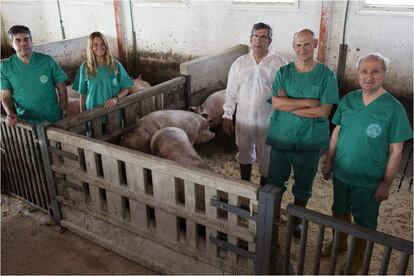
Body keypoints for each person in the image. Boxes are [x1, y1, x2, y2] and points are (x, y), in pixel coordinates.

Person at [321, 53, 412, 274]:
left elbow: (396, 151)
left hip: (370, 179)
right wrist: (329, 161)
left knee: (365, 220)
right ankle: (340, 242)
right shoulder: (349, 100)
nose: (369, 76)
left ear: (383, 74)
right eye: (364, 71)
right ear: (358, 73)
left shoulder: (393, 108)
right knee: (339, 210)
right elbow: (336, 134)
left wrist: (386, 184)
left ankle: (357, 259)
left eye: (375, 71)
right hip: (343, 172)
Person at [266, 29, 339, 238]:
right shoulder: (284, 72)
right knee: (275, 181)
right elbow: (277, 103)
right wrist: (308, 102)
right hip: (282, 137)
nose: (302, 49)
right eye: (298, 45)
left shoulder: (326, 75)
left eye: (307, 44)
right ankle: (272, 218)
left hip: (309, 140)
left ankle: (297, 220)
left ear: (315, 44)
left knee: (304, 182)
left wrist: (289, 103)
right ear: (293, 46)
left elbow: (324, 111)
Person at [222, 22, 287, 185]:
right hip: (244, 118)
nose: (258, 41)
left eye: (263, 37)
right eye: (255, 37)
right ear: (250, 39)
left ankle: (263, 192)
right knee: (244, 151)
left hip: (268, 119)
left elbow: (285, 92)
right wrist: (227, 114)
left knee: (267, 155)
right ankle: (245, 186)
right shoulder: (240, 63)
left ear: (269, 41)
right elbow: (231, 91)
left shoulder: (280, 63)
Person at [1, 25, 68, 126]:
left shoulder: (47, 61)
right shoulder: (6, 67)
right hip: (25, 122)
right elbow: (6, 96)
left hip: (52, 119)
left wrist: (64, 110)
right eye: (18, 41)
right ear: (11, 44)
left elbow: (61, 87)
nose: (23, 43)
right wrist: (10, 113)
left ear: (31, 40)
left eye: (26, 39)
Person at [72, 31, 133, 115]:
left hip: (113, 111)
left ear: (106, 45)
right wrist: (84, 115)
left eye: (102, 44)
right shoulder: (85, 67)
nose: (99, 47)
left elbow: (126, 89)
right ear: (91, 47)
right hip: (93, 111)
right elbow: (82, 95)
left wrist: (116, 98)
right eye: (95, 45)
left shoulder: (116, 65)